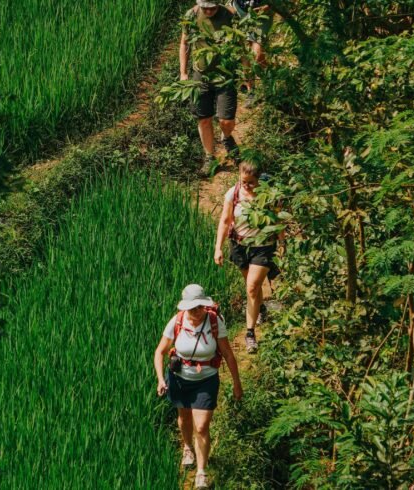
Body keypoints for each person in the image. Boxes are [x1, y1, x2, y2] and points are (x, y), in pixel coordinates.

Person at [154, 284, 242, 490]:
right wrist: (160, 379)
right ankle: (187, 447)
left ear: (205, 305)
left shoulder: (214, 322)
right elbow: (160, 352)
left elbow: (228, 354)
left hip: (206, 379)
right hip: (179, 379)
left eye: (199, 307)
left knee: (201, 426)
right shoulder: (176, 322)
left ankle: (201, 472)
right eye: (192, 309)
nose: (195, 312)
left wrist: (237, 383)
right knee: (183, 416)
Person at [214, 161, 280, 353]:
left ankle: (250, 334)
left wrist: (283, 245)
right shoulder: (233, 193)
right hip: (240, 245)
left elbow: (279, 221)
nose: (247, 186)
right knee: (252, 286)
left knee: (251, 287)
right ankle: (261, 309)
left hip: (263, 246)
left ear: (259, 180)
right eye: (244, 181)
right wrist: (218, 248)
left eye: (251, 182)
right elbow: (225, 221)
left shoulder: (269, 196)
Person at [180, 0, 240, 174]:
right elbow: (185, 43)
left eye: (213, 8)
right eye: (205, 8)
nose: (209, 11)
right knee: (204, 118)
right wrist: (183, 72)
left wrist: (245, 69)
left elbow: (239, 42)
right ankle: (209, 157)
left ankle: (226, 138)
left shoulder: (229, 15)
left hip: (225, 74)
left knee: (226, 120)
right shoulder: (191, 16)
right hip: (201, 74)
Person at [230, 0, 272, 105]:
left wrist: (269, 6)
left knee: (257, 55)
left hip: (262, 11)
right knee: (245, 53)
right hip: (240, 9)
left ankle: (271, 79)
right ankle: (251, 90)